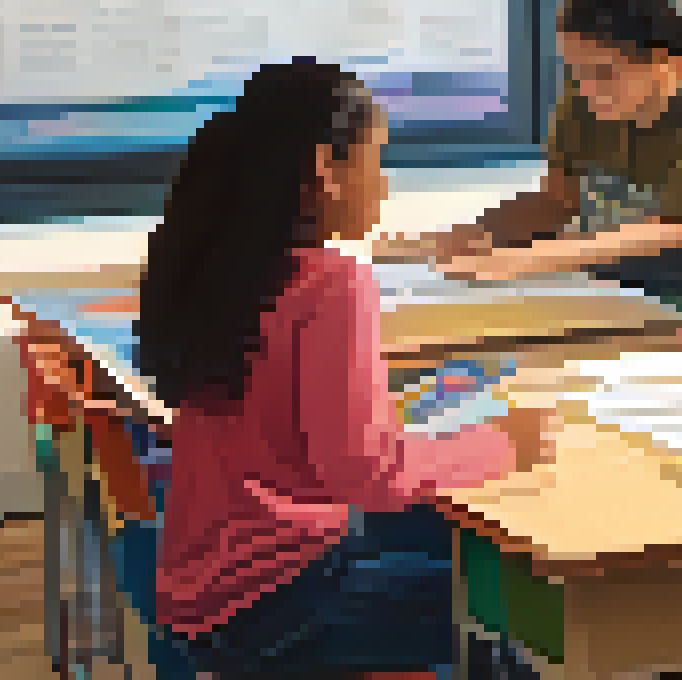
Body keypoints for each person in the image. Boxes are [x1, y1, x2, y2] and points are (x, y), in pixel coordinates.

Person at [146, 60, 553, 674]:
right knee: (527, 625)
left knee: (445, 565)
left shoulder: (221, 266)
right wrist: (502, 446)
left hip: (200, 601)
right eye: (376, 159)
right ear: (325, 170)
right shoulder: (334, 281)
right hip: (282, 604)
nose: (383, 186)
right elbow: (370, 473)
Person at [379, 0, 682, 337]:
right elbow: (556, 201)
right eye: (576, 71)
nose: (588, 88)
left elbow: (672, 231)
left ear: (673, 62)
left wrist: (523, 259)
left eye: (605, 72)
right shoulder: (582, 104)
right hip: (607, 293)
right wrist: (482, 233)